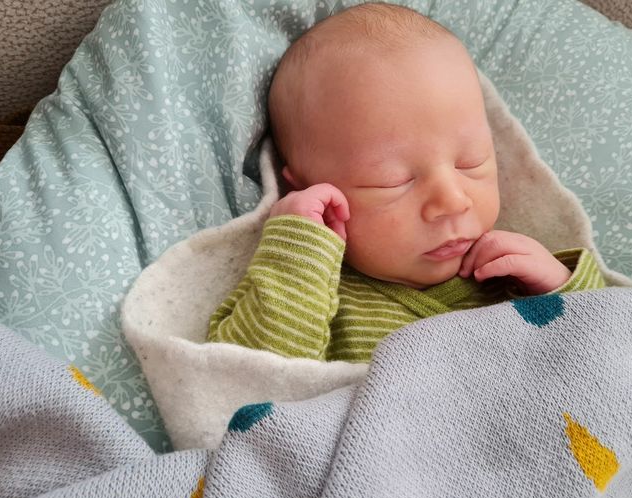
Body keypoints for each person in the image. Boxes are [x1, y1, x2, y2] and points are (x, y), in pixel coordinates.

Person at [207, 2, 604, 363]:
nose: (453, 201)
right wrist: (298, 249)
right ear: (304, 188)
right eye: (392, 180)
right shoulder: (310, 294)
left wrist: (561, 287)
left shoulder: (513, 280)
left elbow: (612, 349)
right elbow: (247, 376)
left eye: (470, 162)